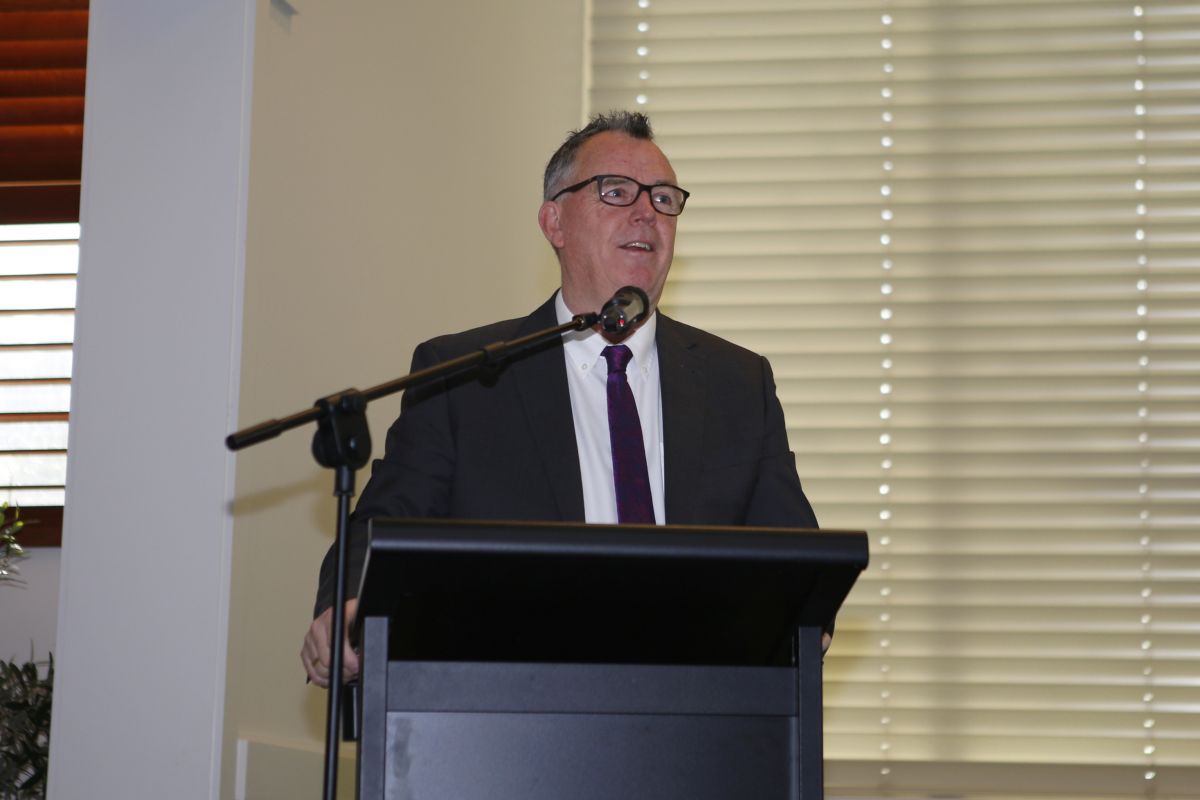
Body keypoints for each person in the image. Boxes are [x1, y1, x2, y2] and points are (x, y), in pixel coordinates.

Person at [300, 111, 819, 687]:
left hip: (700, 709)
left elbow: (797, 554)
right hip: (514, 707)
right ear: (554, 221)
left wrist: (808, 614)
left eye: (665, 198)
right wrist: (345, 602)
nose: (647, 211)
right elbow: (383, 523)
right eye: (616, 192)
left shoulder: (738, 383)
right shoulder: (466, 377)